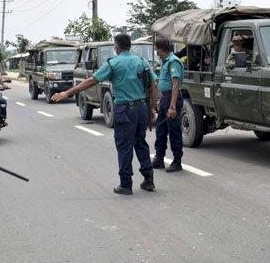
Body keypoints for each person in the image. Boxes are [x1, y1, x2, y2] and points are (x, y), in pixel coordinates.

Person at [52, 34, 158, 195]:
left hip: (125, 110)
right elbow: (153, 84)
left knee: (124, 147)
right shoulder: (142, 62)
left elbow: (91, 81)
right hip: (141, 108)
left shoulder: (114, 63)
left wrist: (68, 92)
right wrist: (151, 107)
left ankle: (126, 184)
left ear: (116, 47)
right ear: (130, 46)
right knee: (141, 143)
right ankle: (149, 180)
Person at [152, 39, 184, 172]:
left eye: (157, 50)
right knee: (160, 130)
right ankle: (159, 158)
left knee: (174, 131)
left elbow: (175, 84)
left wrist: (172, 107)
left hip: (172, 99)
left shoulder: (173, 62)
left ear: (161, 49)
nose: (156, 53)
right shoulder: (165, 62)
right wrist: (161, 99)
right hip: (166, 98)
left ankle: (177, 162)